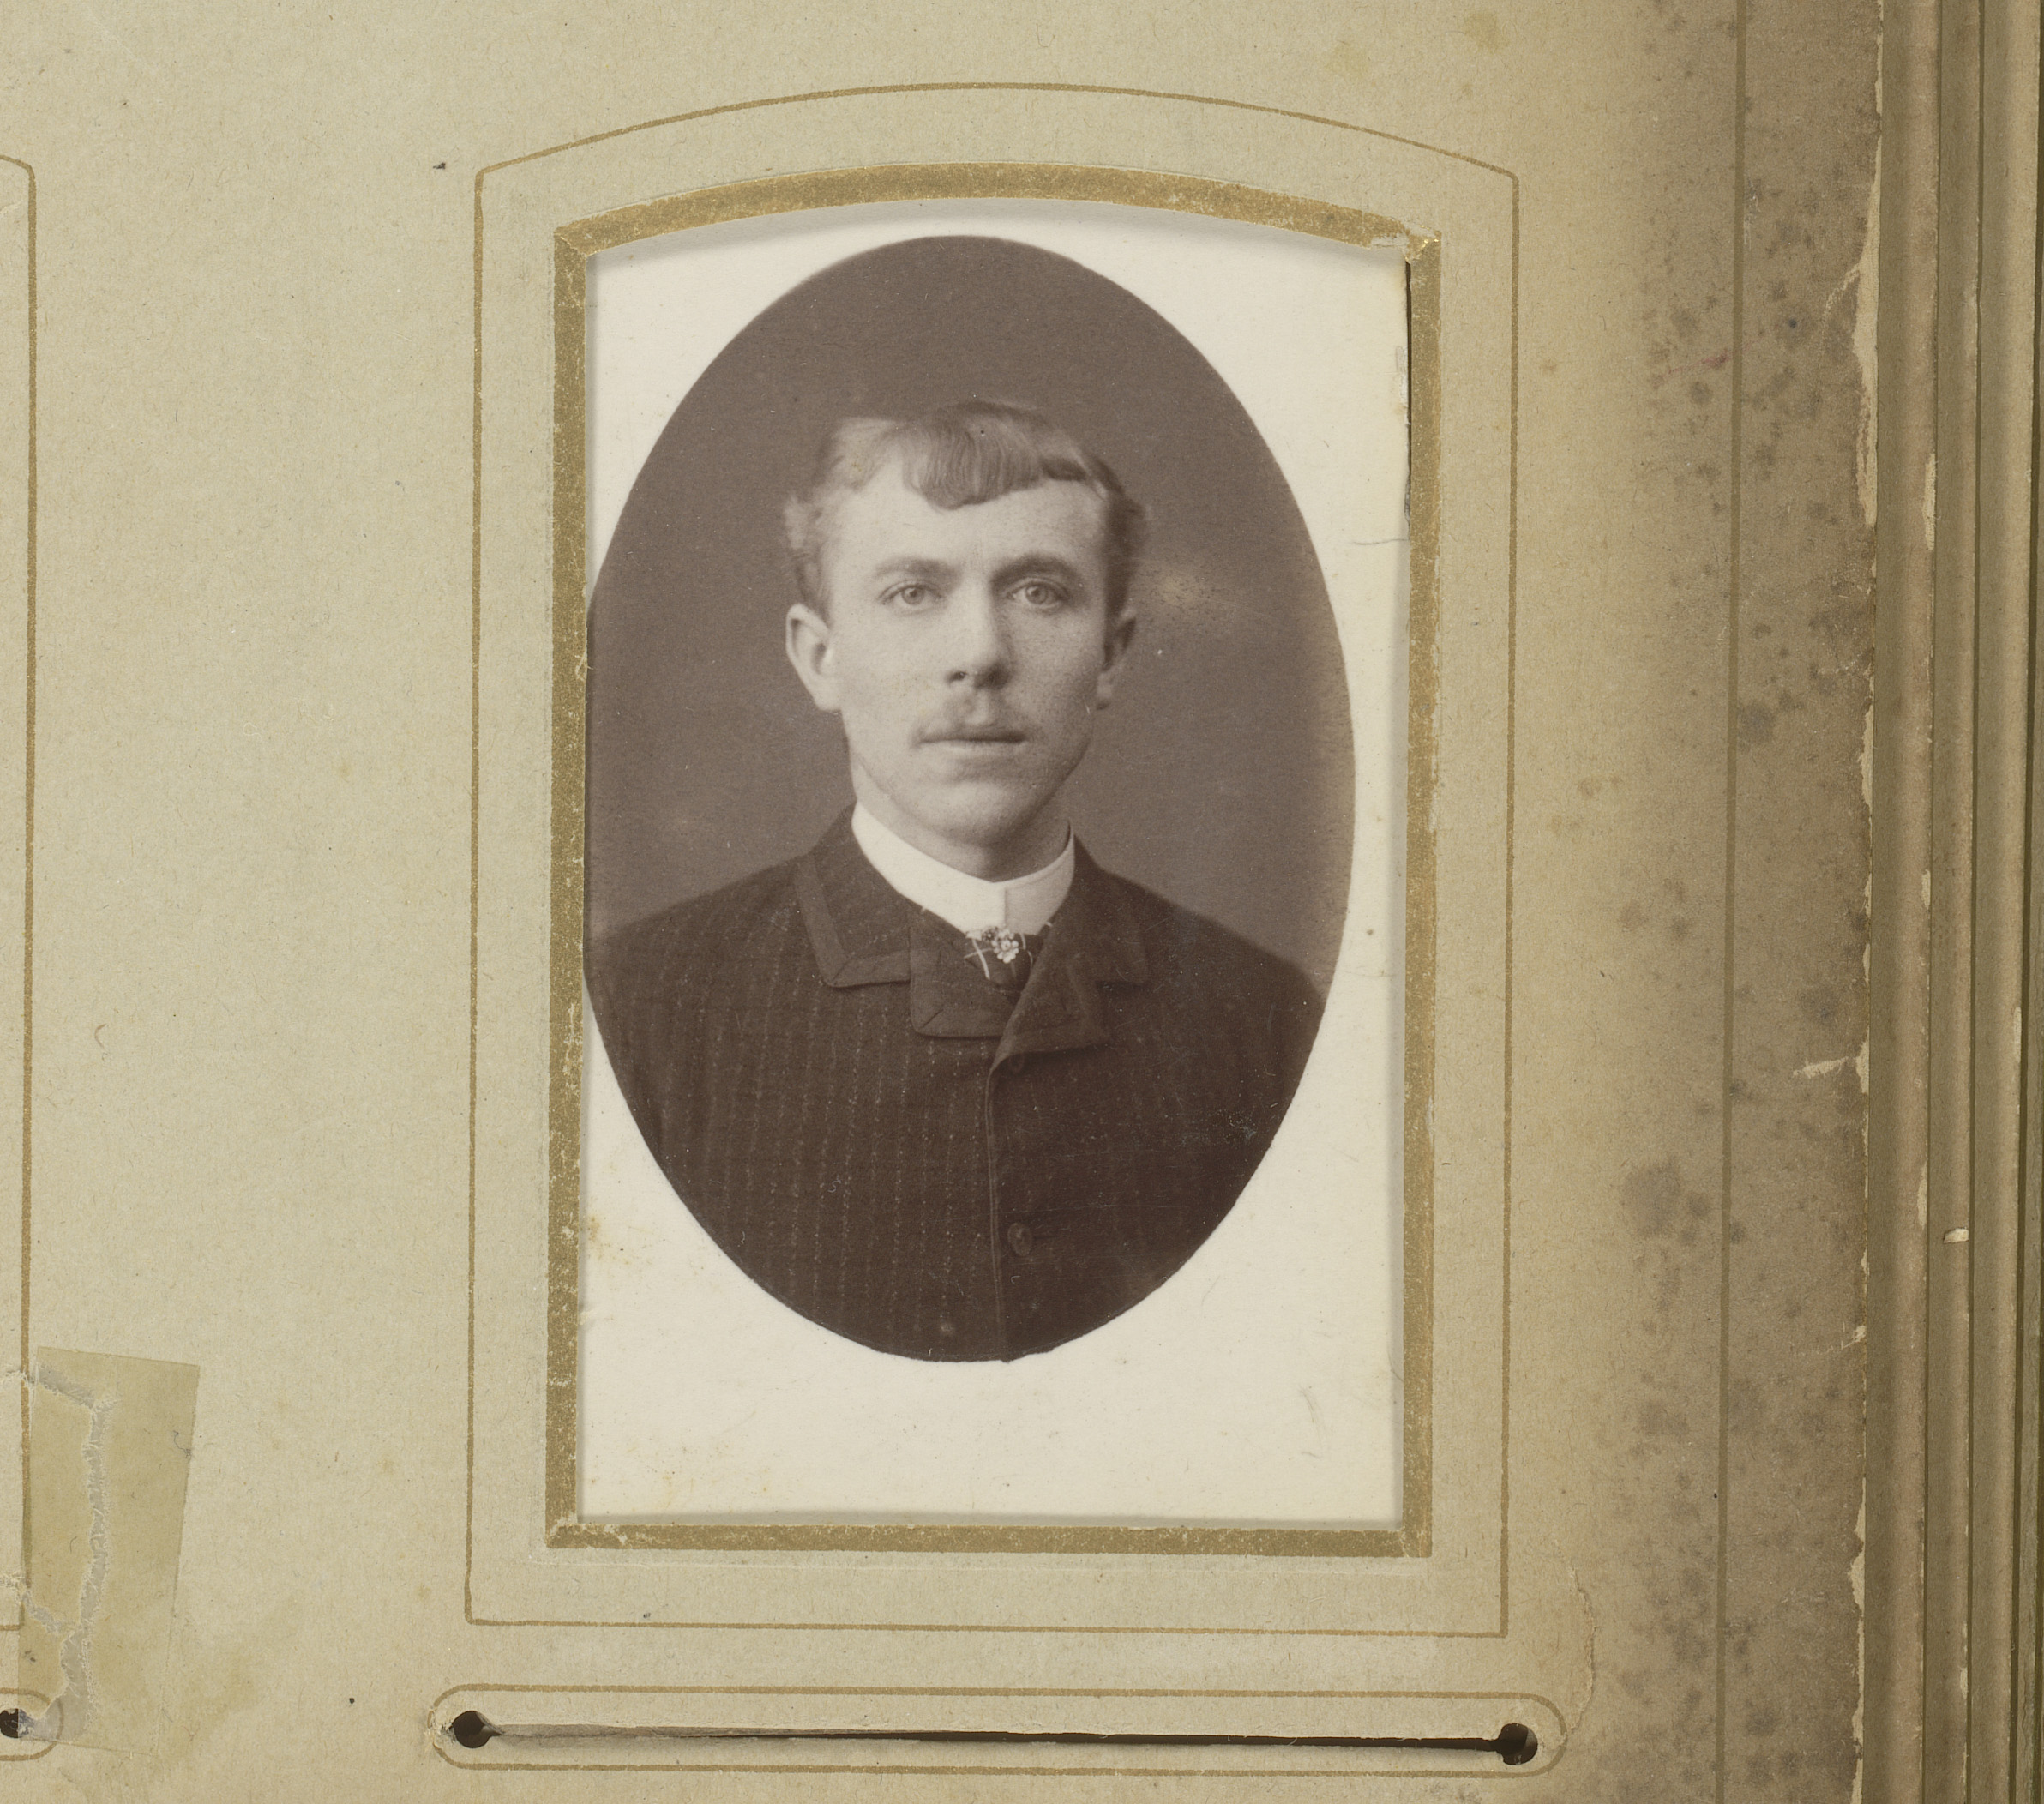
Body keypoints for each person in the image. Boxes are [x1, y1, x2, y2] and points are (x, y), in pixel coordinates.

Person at [586, 400, 1323, 1362]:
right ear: (820, 657)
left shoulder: (1263, 1020)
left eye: (1039, 592)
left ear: (1110, 654)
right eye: (912, 593)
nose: (979, 654)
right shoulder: (635, 1008)